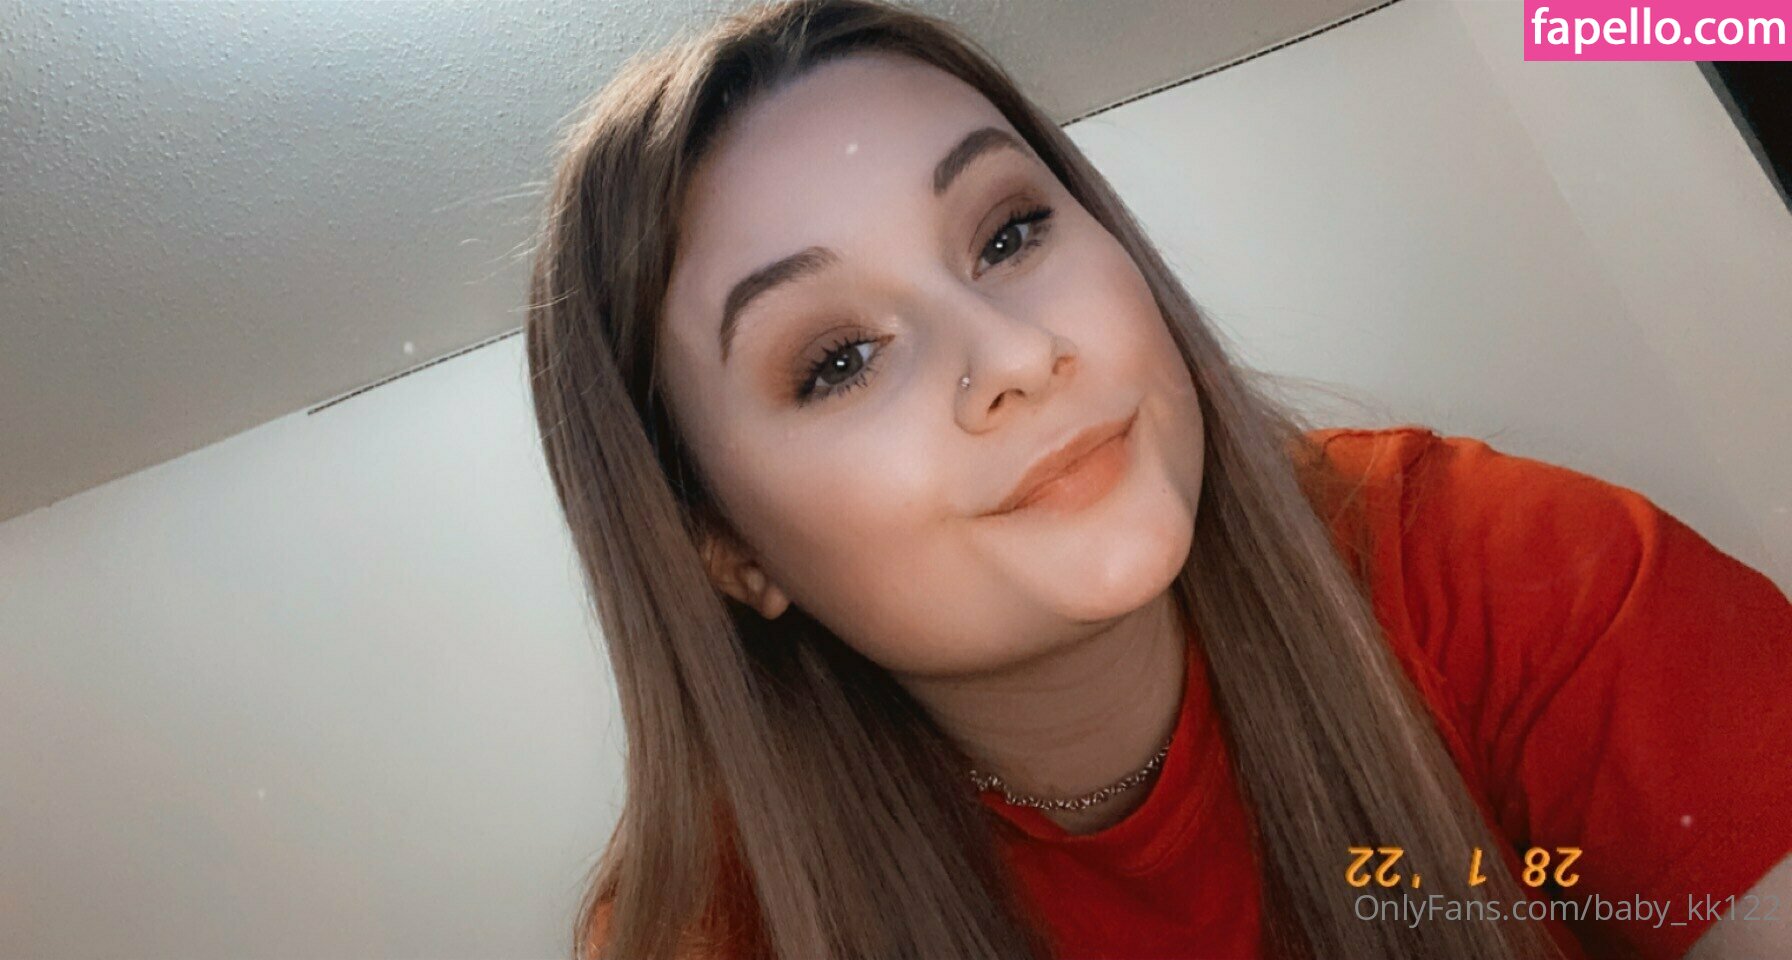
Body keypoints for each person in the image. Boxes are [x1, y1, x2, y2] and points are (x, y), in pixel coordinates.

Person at [521, 1, 1792, 956]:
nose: (1015, 356)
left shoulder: (1486, 563)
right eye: (838, 360)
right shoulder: (710, 930)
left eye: (1009, 233)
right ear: (722, 547)